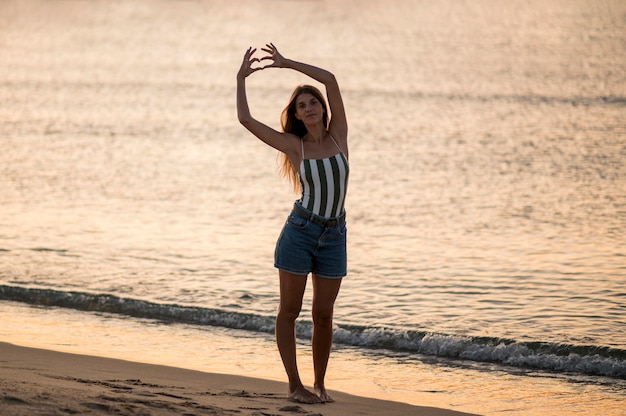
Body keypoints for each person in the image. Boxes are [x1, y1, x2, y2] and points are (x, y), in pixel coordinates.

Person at [236, 43, 349, 404]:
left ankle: (319, 384)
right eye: (301, 106)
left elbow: (330, 80)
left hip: (335, 235)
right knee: (290, 311)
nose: (309, 108)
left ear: (321, 107)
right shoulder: (293, 146)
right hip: (300, 233)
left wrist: (286, 64)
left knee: (324, 315)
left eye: (312, 102)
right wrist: (241, 79)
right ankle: (294, 386)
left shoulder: (338, 137)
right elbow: (246, 120)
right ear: (297, 115)